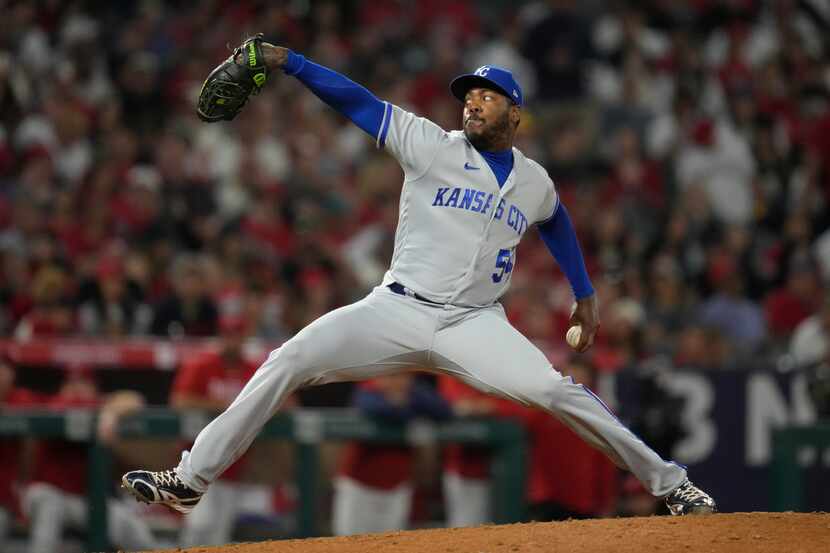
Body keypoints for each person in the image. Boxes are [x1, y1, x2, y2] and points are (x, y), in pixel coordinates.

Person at [123, 35, 715, 521]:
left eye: (488, 95)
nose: (473, 103)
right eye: (469, 95)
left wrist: (584, 293)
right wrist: (289, 62)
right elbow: (356, 101)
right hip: (397, 309)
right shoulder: (430, 144)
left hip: (475, 323)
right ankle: (191, 478)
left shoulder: (534, 181)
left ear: (515, 111)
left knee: (554, 391)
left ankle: (672, 486)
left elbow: (555, 221)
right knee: (290, 357)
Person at [22, 365, 158, 553]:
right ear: (62, 388)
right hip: (45, 493)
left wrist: (110, 413)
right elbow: (68, 407)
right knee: (49, 505)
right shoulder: (54, 404)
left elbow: (134, 399)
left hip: (84, 502)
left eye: (83, 383)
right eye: (71, 383)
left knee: (132, 528)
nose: (76, 388)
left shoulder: (101, 407)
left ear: (94, 388)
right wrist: (106, 410)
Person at [168, 317, 263, 546]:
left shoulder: (253, 369)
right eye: (228, 335)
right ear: (221, 337)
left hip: (232, 467)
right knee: (198, 528)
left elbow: (288, 403)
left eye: (237, 336)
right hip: (197, 463)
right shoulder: (202, 365)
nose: (232, 341)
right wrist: (226, 406)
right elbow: (179, 401)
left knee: (219, 536)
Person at [333, 374, 451, 535]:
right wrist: (409, 411)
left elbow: (444, 410)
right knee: (348, 543)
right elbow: (376, 408)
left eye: (403, 376)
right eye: (391, 377)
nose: (397, 381)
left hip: (397, 486)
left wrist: (405, 405)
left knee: (390, 545)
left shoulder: (417, 393)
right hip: (359, 485)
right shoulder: (368, 388)